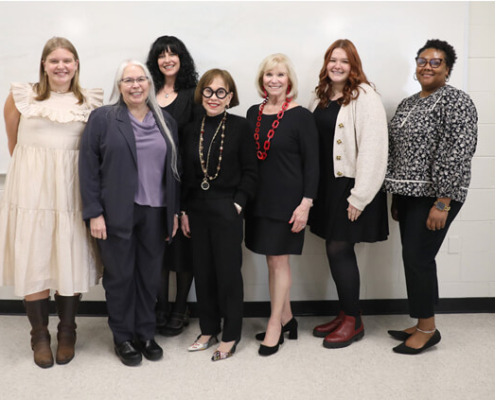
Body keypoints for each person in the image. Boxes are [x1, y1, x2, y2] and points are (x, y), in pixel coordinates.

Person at [0, 37, 103, 368]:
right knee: (36, 255)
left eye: (67, 60)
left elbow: (93, 152)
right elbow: (15, 145)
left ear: (76, 65)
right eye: (54, 60)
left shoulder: (90, 101)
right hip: (32, 191)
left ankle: (68, 331)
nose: (61, 66)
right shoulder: (21, 97)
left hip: (72, 192)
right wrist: (38, 174)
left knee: (69, 255)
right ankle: (40, 336)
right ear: (43, 64)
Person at [79, 60, 180, 366]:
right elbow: (88, 168)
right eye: (128, 80)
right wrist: (94, 212)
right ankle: (123, 336)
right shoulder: (103, 118)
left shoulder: (166, 121)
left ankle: (146, 333)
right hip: (115, 213)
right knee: (120, 277)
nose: (135, 85)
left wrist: (173, 212)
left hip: (156, 211)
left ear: (150, 84)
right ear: (119, 86)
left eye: (141, 79)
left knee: (150, 276)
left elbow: (175, 171)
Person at [385, 39, 478, 354]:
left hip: (437, 196)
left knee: (417, 258)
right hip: (407, 194)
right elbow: (396, 150)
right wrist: (396, 195)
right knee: (415, 259)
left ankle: (428, 329)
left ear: (448, 68)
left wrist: (443, 201)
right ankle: (422, 320)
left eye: (435, 61)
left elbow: (457, 152)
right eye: (422, 60)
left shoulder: (456, 101)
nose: (427, 66)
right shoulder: (409, 104)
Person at [308, 39, 389, 348]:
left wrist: (360, 196)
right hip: (329, 185)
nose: (337, 65)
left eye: (344, 61)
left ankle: (353, 322)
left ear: (354, 65)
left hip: (352, 185)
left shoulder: (365, 96)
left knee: (340, 249)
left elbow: (374, 148)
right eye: (332, 60)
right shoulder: (323, 96)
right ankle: (345, 313)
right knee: (334, 248)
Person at [181, 69, 257, 361]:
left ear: (230, 96)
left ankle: (231, 334)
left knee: (228, 274)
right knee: (203, 272)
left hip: (227, 208)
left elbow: (251, 172)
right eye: (209, 91)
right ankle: (208, 329)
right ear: (201, 94)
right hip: (197, 209)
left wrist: (237, 204)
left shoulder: (240, 126)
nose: (214, 97)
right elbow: (186, 175)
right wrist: (184, 210)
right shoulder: (190, 128)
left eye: (221, 92)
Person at [246, 54, 319, 356]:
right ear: (261, 79)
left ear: (289, 81)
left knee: (279, 261)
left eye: (280, 75)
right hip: (258, 200)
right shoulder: (253, 112)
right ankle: (288, 318)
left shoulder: (301, 116)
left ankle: (275, 324)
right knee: (270, 260)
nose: (274, 80)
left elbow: (313, 164)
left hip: (288, 202)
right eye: (268, 74)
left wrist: (306, 204)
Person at [146, 35, 199, 336]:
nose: (167, 59)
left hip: (184, 180)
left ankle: (181, 306)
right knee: (159, 248)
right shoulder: (148, 91)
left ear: (182, 58)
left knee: (183, 247)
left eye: (173, 54)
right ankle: (160, 306)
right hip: (153, 182)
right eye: (161, 55)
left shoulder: (192, 94)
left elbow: (195, 141)